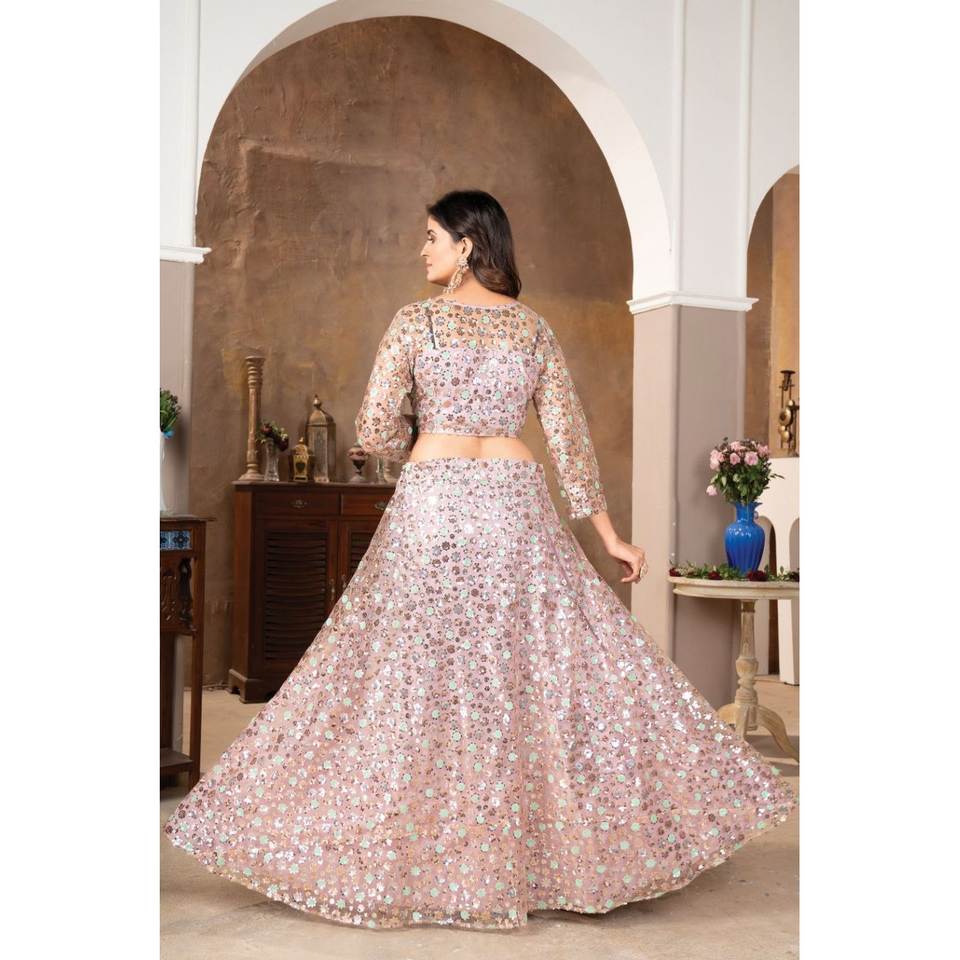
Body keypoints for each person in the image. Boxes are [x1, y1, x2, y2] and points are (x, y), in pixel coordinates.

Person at [164, 189, 797, 930]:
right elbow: (569, 440)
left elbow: (374, 431)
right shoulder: (531, 328)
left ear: (466, 245)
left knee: (409, 670)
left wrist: (421, 431)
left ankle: (430, 850)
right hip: (512, 504)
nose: (422, 250)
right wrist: (610, 537)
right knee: (525, 668)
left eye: (431, 237)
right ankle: (536, 856)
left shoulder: (415, 322)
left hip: (434, 501)